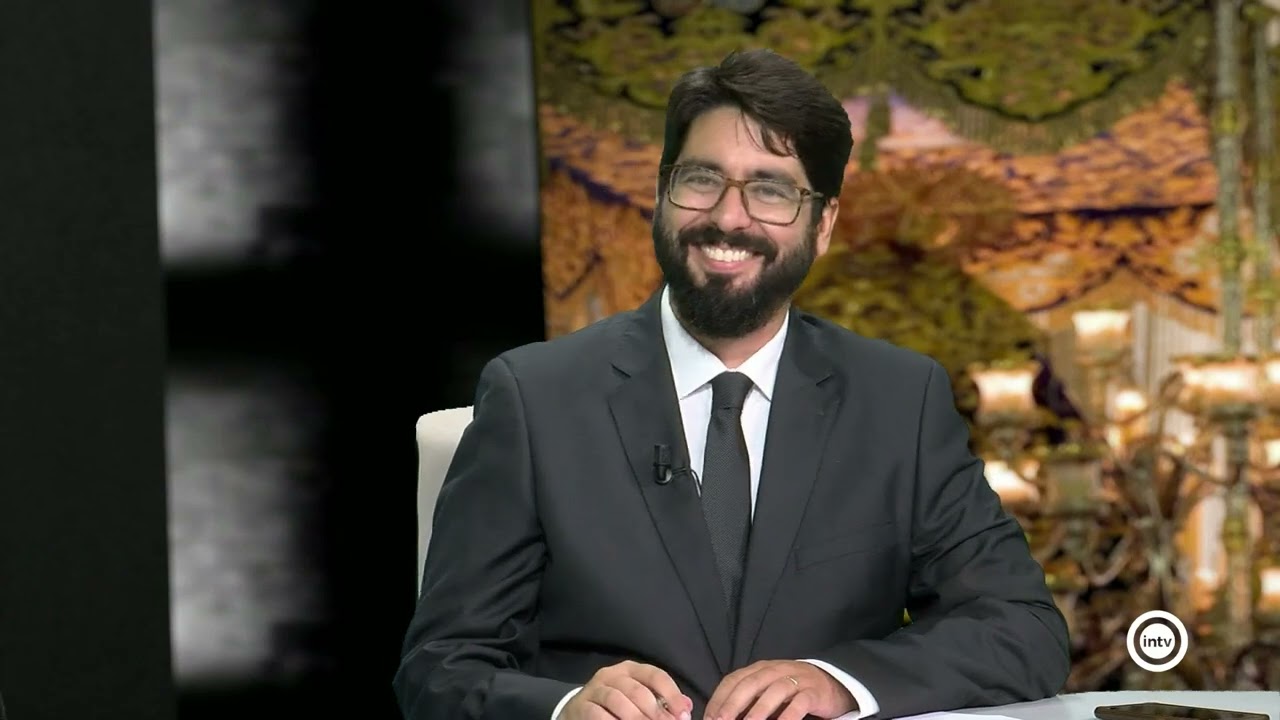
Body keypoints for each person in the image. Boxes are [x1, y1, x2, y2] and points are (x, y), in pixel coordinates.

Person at [394, 48, 1070, 720]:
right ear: (661, 193)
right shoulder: (534, 397)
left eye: (771, 190)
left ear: (823, 224)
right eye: (702, 179)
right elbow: (440, 669)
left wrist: (839, 682)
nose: (728, 217)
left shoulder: (899, 400)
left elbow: (1023, 629)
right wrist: (566, 706)